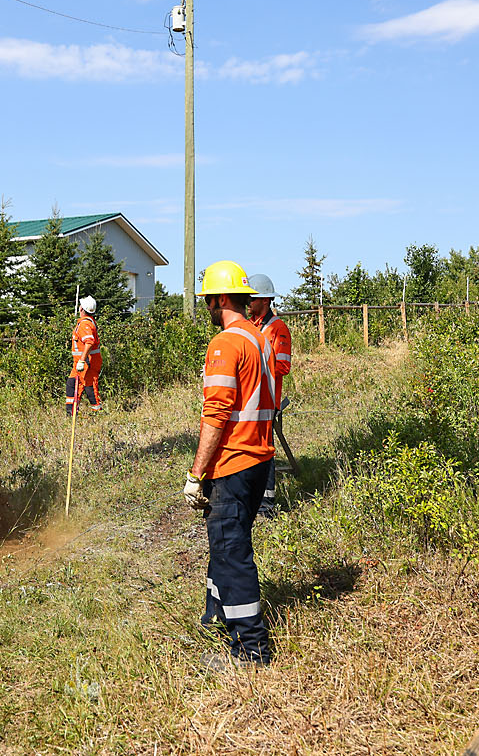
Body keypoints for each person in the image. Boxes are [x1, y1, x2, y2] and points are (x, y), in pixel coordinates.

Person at [183, 260, 277, 666]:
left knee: (232, 550)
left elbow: (216, 413)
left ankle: (251, 649)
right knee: (223, 546)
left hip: (233, 463)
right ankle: (216, 619)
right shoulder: (260, 338)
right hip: (259, 459)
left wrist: (196, 474)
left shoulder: (225, 344)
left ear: (221, 299)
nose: (207, 307)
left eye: (208, 300)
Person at [245, 274, 292, 518]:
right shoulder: (249, 326)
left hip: (267, 401)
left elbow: (283, 366)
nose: (247, 302)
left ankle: (266, 505)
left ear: (265, 300)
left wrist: (254, 364)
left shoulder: (278, 328)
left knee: (264, 450)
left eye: (251, 299)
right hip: (248, 400)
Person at [67, 295, 103, 415]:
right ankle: (73, 413)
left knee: (82, 386)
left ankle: (74, 413)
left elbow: (89, 342)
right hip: (86, 361)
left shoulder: (85, 324)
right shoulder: (88, 322)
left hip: (86, 362)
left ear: (82, 309)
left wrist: (82, 361)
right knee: (82, 385)